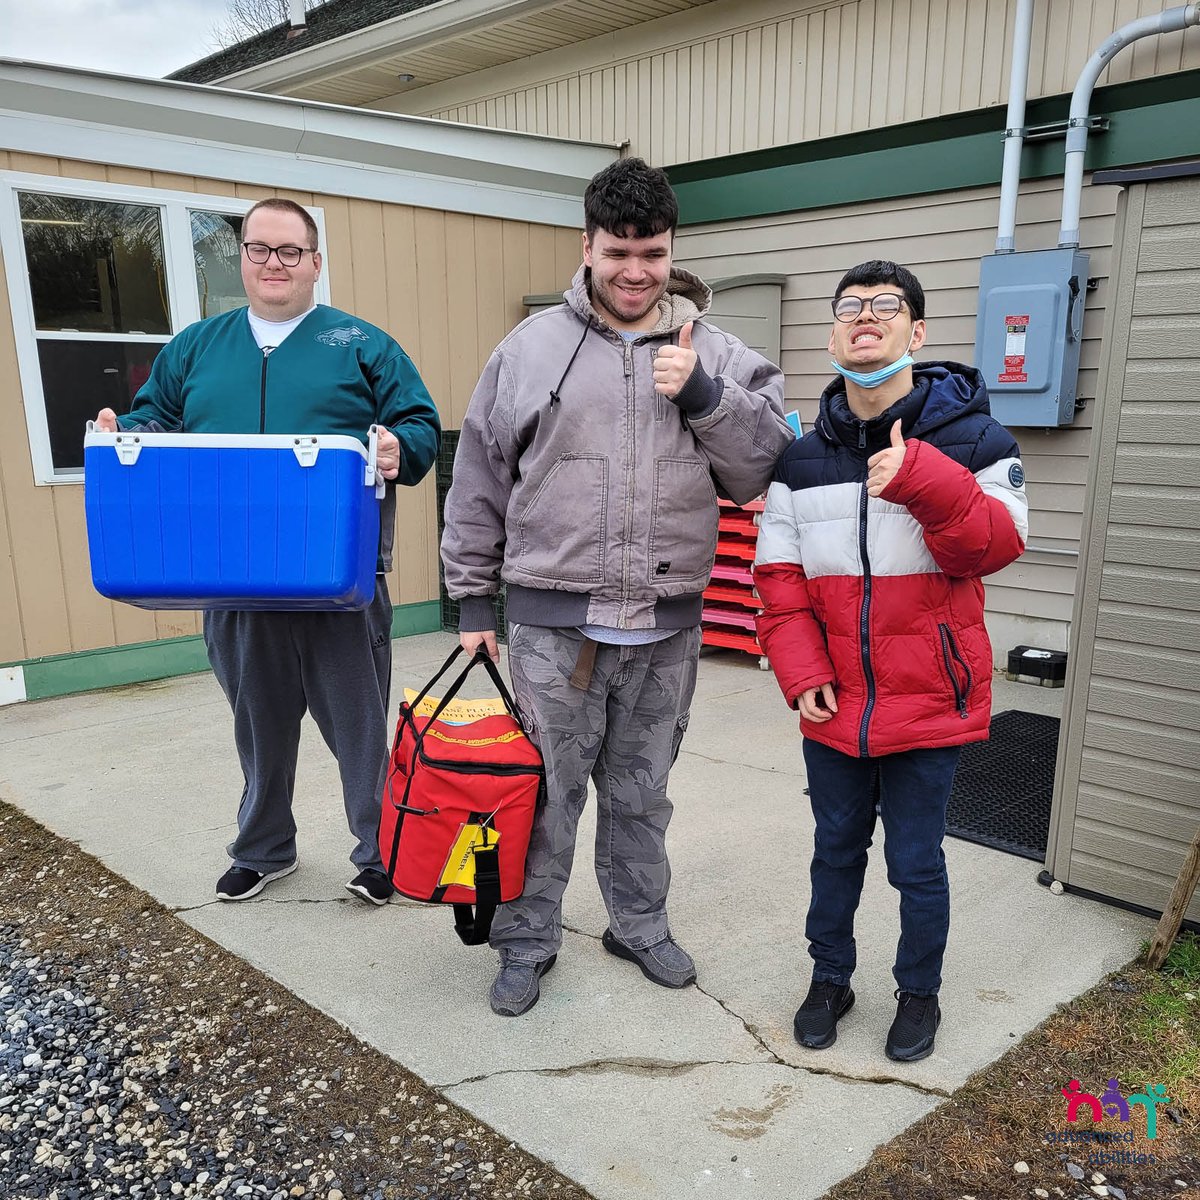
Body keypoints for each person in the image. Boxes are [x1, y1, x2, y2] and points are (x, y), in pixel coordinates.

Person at [441, 157, 794, 1017]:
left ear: (673, 250)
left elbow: (763, 467)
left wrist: (707, 396)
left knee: (642, 798)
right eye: (618, 251)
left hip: (666, 628)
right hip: (552, 629)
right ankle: (525, 941)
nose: (636, 271)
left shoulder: (719, 354)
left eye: (654, 252)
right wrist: (471, 602)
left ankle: (637, 925)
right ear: (588, 247)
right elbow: (479, 477)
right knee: (542, 796)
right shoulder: (528, 351)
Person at [94, 197, 440, 906]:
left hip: (338, 579)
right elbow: (154, 418)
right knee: (258, 726)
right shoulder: (197, 347)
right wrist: (120, 428)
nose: (273, 263)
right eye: (259, 249)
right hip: (234, 576)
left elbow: (419, 424)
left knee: (360, 731)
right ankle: (263, 849)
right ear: (241, 258)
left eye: (289, 251)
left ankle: (382, 853)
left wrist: (398, 446)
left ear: (315, 262)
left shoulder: (361, 344)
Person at [753, 260, 1027, 1063]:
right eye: (849, 308)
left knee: (916, 863)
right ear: (832, 334)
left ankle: (919, 994)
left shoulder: (978, 439)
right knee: (834, 852)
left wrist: (919, 478)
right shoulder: (799, 458)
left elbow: (995, 545)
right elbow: (778, 578)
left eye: (885, 306)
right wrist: (803, 674)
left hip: (928, 702)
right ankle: (830, 977)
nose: (864, 318)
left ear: (917, 332)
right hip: (835, 706)